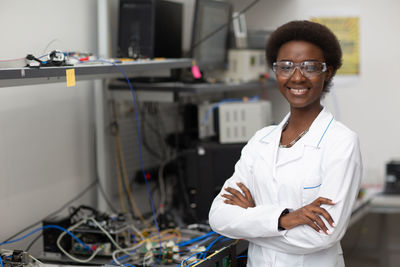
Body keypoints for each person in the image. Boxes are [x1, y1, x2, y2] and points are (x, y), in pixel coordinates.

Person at [208, 20, 362, 267]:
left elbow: (322, 235)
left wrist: (251, 219)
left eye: (310, 66)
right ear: (275, 71)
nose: (297, 77)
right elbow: (218, 216)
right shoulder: (261, 140)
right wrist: (284, 219)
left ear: (328, 71)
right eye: (286, 66)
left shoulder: (341, 142)